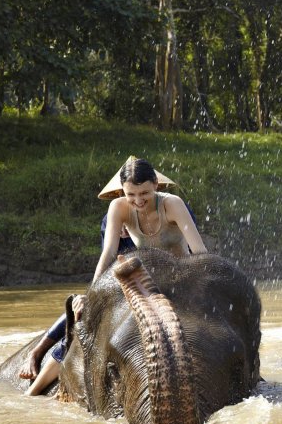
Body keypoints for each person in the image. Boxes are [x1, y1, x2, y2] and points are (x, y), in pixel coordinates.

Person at [21, 156, 208, 395]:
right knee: (87, 318)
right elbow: (108, 254)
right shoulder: (117, 208)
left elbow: (199, 252)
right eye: (131, 195)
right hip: (141, 283)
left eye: (145, 194)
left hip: (179, 280)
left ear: (155, 185)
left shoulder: (173, 204)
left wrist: (203, 287)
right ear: (123, 192)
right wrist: (92, 293)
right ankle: (36, 386)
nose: (138, 201)